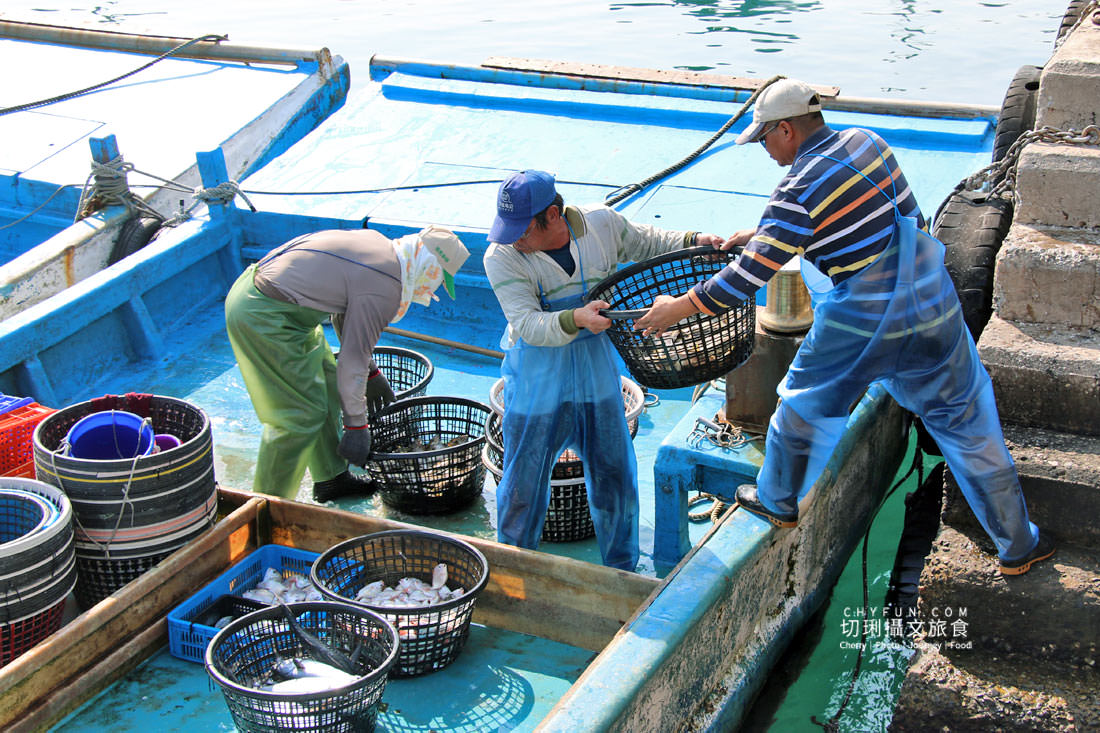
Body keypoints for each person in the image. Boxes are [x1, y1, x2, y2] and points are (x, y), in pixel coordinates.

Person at [634, 79, 1054, 576]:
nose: (765, 150)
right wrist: (767, 235)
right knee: (970, 430)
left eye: (765, 139)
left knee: (802, 406)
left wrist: (677, 307)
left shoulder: (794, 190)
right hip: (933, 307)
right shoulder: (867, 141)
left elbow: (742, 281)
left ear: (786, 130)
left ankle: (778, 500)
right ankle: (1019, 545)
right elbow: (900, 219)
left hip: (863, 325)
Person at [484, 169, 725, 571]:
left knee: (615, 475)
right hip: (536, 379)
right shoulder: (502, 256)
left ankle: (621, 568)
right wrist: (576, 318)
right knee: (523, 482)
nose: (513, 239)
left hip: (596, 372)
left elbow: (647, 241)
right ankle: (513, 568)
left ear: (554, 215)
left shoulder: (601, 224)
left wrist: (696, 242)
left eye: (522, 230)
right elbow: (527, 324)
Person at [225, 225, 469, 502]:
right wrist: (356, 427)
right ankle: (264, 506)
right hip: (263, 314)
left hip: (291, 313)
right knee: (299, 415)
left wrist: (372, 372)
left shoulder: (383, 247)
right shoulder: (385, 286)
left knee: (328, 386)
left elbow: (344, 314)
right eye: (437, 278)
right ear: (429, 266)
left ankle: (332, 479)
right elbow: (352, 359)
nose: (432, 287)